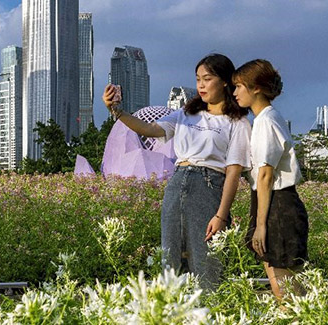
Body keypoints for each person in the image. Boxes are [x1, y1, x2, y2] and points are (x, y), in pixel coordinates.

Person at [103, 53, 251, 289]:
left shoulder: (237, 123)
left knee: (207, 261)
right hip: (177, 183)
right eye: (198, 79)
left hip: (210, 185)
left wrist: (222, 215)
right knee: (170, 260)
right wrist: (117, 111)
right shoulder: (186, 114)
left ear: (225, 81)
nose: (201, 85)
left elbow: (233, 173)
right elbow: (149, 129)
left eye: (208, 78)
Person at [233, 59, 307, 300]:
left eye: (239, 86)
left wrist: (261, 225)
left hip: (277, 204)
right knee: (283, 284)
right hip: (272, 203)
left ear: (256, 88)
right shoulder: (266, 119)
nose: (234, 93)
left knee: (287, 290)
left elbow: (265, 175)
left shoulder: (265, 121)